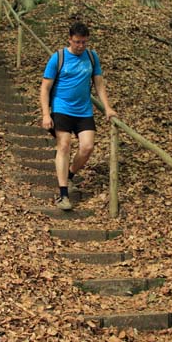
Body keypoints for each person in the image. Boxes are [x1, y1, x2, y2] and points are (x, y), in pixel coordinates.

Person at [40, 21, 117, 210]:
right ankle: (63, 194)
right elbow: (45, 88)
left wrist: (107, 107)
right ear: (70, 39)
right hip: (61, 108)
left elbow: (99, 83)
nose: (81, 46)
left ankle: (70, 174)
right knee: (64, 145)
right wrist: (45, 114)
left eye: (84, 42)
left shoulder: (91, 57)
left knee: (87, 147)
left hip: (83, 110)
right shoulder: (58, 58)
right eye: (77, 42)